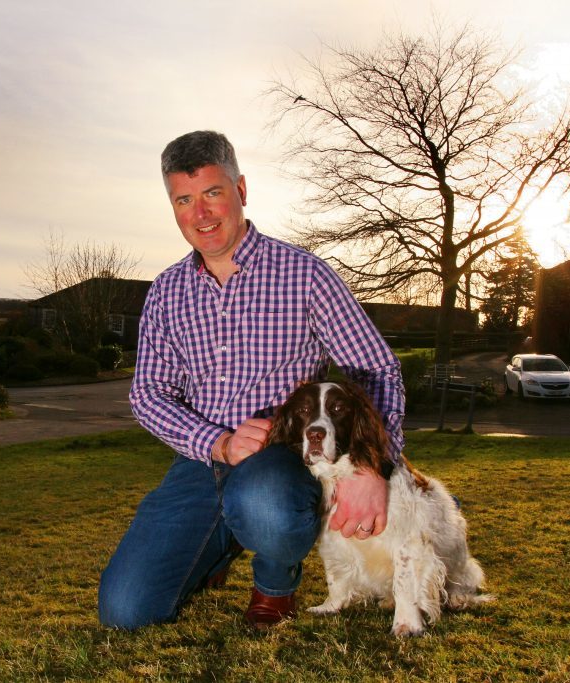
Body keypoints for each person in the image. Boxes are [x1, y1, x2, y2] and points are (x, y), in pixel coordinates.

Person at [97, 130, 405, 631]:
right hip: (201, 460)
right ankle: (218, 548)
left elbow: (375, 369)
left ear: (241, 190)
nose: (202, 214)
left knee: (264, 505)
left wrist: (372, 466)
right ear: (172, 207)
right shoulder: (166, 292)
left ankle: (274, 579)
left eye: (213, 193)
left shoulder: (305, 275)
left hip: (279, 461)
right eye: (184, 200)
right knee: (125, 613)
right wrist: (216, 442)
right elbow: (149, 395)